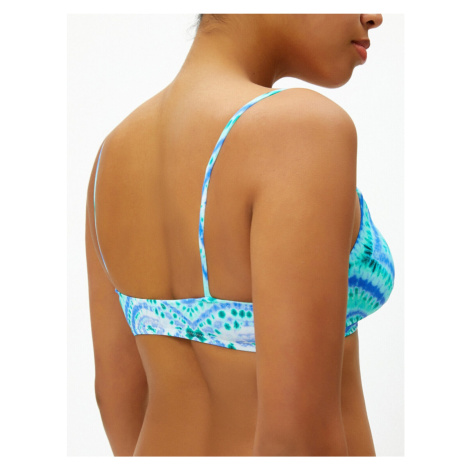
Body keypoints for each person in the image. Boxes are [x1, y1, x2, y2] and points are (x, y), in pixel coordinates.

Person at [85, 14, 394, 456]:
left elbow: (116, 396)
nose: (373, 15)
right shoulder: (301, 129)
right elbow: (296, 440)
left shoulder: (111, 153)